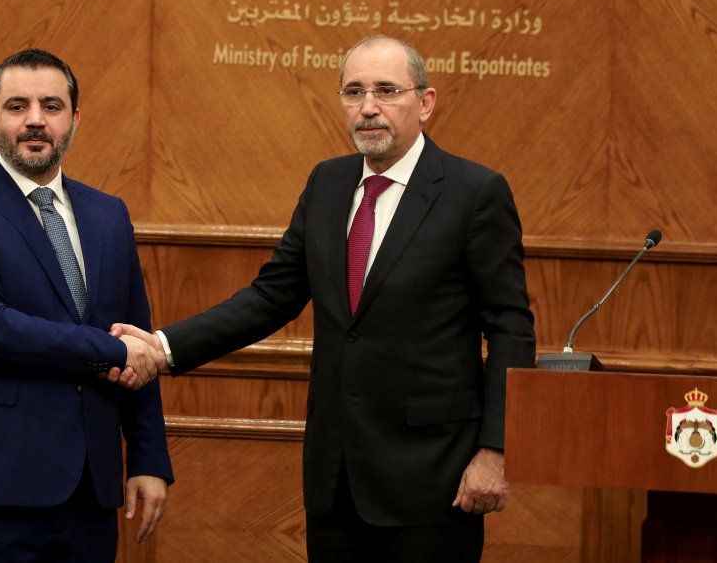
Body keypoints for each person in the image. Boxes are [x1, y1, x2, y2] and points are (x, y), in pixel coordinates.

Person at [113, 35, 535, 562]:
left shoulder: (475, 193)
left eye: (386, 91)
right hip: (335, 480)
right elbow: (272, 297)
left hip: (435, 479)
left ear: (425, 103)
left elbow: (511, 329)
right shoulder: (328, 184)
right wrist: (163, 346)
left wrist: (496, 452)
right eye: (354, 92)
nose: (368, 108)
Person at [0, 48, 172, 562]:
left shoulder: (109, 215)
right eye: (17, 106)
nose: (35, 120)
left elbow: (136, 333)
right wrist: (113, 352)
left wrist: (148, 458)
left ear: (74, 118)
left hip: (88, 491)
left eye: (51, 106)